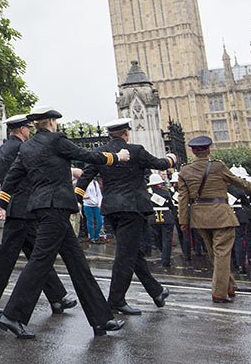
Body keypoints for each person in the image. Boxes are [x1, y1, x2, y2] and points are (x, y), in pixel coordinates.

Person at [0, 105, 130, 339]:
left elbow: (12, 177)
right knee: (39, 262)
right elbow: (88, 156)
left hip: (44, 208)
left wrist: (1, 204)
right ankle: (12, 315)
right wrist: (116, 157)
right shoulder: (56, 140)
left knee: (79, 265)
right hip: (55, 207)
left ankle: (101, 319)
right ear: (52, 122)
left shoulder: (27, 148)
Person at [0, 114, 74, 316]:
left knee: (38, 256)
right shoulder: (24, 149)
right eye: (27, 128)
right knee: (9, 257)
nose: (29, 131)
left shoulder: (0, 151)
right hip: (25, 208)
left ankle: (57, 297)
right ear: (22, 130)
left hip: (17, 209)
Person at [73, 118, 176, 315]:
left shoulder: (100, 152)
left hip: (111, 208)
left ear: (110, 134)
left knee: (132, 252)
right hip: (132, 208)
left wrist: (76, 200)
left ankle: (156, 291)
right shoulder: (136, 150)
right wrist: (172, 158)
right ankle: (116, 300)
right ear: (126, 134)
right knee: (125, 256)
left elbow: (85, 177)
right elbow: (159, 163)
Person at [177, 136, 251, 301]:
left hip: (199, 217)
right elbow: (239, 182)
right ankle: (219, 292)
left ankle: (229, 286)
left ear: (193, 152)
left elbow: (183, 198)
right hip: (221, 215)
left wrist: (183, 221)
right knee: (222, 254)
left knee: (214, 254)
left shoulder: (185, 170)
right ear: (208, 151)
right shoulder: (217, 166)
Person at [147, 171, 176, 267]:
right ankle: (166, 260)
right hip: (166, 217)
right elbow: (171, 206)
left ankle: (163, 254)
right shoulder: (165, 192)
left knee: (157, 238)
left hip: (153, 218)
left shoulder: (148, 193)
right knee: (167, 240)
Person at [82, 178, 103, 243]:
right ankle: (91, 237)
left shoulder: (95, 183)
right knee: (90, 221)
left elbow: (99, 194)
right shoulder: (83, 182)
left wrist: (99, 203)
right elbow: (78, 193)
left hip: (96, 205)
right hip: (87, 204)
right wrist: (84, 197)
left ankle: (96, 236)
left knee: (100, 221)